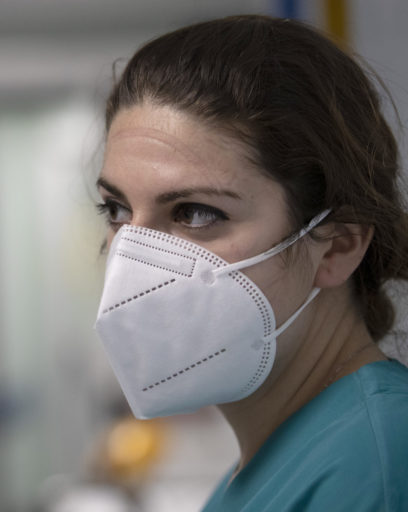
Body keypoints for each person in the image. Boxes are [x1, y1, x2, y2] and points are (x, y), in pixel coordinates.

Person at [93, 15, 408, 511]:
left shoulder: (377, 467)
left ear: (338, 245)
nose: (134, 259)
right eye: (116, 210)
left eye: (195, 213)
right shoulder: (269, 465)